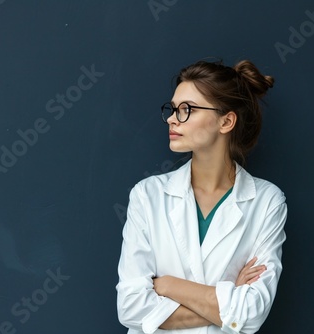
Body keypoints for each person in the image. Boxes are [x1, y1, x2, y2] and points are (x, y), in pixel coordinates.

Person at [116, 59, 287, 333]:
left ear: (226, 121)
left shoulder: (267, 201)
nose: (172, 118)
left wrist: (169, 285)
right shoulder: (148, 195)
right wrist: (228, 301)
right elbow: (131, 307)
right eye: (172, 109)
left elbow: (253, 313)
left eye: (187, 110)